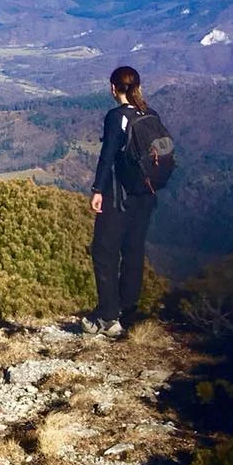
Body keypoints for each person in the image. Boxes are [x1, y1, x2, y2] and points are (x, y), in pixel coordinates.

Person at [86, 65, 157, 336]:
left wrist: (97, 190)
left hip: (119, 195)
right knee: (134, 252)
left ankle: (107, 316)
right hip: (146, 195)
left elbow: (107, 157)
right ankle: (128, 314)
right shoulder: (150, 114)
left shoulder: (117, 117)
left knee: (104, 252)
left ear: (113, 88)